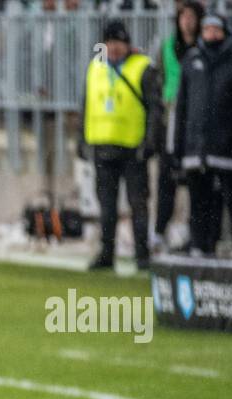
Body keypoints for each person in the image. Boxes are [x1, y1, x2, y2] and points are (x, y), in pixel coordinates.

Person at [80, 20, 162, 272]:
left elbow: (155, 109)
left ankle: (141, 254)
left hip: (132, 147)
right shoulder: (95, 67)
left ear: (127, 44)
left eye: (119, 43)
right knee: (106, 205)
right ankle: (107, 253)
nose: (114, 48)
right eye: (110, 42)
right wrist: (82, 140)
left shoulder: (143, 68)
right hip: (103, 145)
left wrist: (150, 142)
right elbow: (86, 105)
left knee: (138, 204)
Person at [170, 14, 232, 257]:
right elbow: (180, 107)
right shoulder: (191, 61)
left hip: (227, 146)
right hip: (196, 147)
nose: (212, 35)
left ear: (224, 32)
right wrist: (177, 148)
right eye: (208, 30)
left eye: (216, 30)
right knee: (198, 201)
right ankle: (198, 245)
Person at [154, 1, 204, 250]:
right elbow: (159, 81)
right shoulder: (166, 47)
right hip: (171, 119)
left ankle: (197, 234)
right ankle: (159, 231)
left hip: (197, 121)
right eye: (182, 15)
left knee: (196, 181)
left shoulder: (205, 49)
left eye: (191, 16)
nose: (186, 21)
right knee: (167, 178)